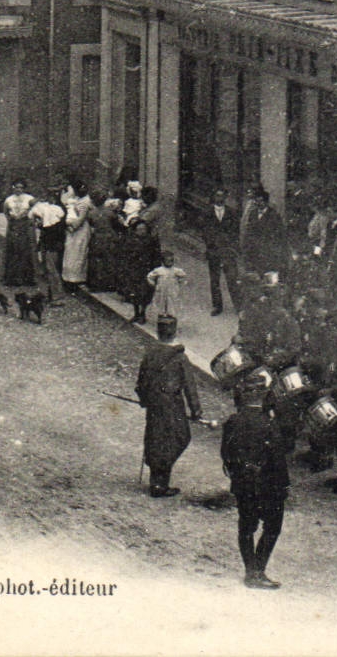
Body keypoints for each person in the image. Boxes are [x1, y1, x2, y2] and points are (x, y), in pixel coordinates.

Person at [222, 375, 290, 588]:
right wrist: (284, 485)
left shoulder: (233, 421)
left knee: (246, 527)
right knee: (272, 528)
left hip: (243, 483)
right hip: (268, 485)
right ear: (264, 396)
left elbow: (225, 453)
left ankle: (250, 570)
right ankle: (258, 571)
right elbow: (278, 459)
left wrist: (237, 473)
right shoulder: (270, 424)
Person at [136, 316, 202, 497]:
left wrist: (144, 399)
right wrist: (196, 411)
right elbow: (190, 386)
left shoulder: (150, 354)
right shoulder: (180, 358)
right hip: (173, 405)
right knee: (180, 438)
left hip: (154, 405)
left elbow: (141, 381)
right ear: (175, 333)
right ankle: (160, 481)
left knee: (155, 438)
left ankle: (156, 480)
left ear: (158, 333)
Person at [203, 187, 239, 316]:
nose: (220, 198)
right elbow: (204, 230)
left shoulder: (231, 212)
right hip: (213, 250)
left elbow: (235, 231)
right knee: (215, 279)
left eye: (222, 196)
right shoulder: (207, 212)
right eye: (217, 195)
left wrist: (230, 244)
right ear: (214, 197)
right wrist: (211, 243)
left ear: (225, 197)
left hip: (227, 250)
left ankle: (238, 305)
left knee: (232, 278)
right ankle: (217, 306)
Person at [0, 181, 39, 289]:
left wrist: (28, 218)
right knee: (13, 250)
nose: (18, 189)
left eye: (21, 187)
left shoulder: (29, 198)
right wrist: (11, 220)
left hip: (25, 225)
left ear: (24, 188)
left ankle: (27, 278)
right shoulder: (9, 199)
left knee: (25, 250)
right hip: (13, 225)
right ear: (13, 188)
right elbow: (6, 212)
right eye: (16, 187)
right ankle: (12, 278)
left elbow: (35, 210)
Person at [243, 187, 288, 279]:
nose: (259, 203)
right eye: (257, 201)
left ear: (266, 202)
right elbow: (249, 231)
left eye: (261, 201)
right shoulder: (253, 213)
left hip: (268, 251)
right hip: (255, 251)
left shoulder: (274, 215)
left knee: (269, 277)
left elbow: (279, 234)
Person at [29, 190, 66, 300]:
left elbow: (53, 230)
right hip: (48, 242)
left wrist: (42, 226)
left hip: (53, 243)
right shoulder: (49, 212)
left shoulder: (56, 214)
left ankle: (57, 296)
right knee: (47, 268)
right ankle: (50, 294)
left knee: (52, 268)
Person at [61, 182, 95, 292]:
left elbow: (81, 219)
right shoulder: (78, 200)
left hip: (80, 230)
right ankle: (69, 279)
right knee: (70, 253)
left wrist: (69, 225)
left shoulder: (85, 202)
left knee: (78, 253)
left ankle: (77, 280)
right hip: (73, 231)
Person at [147, 250, 188, 320]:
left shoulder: (176, 270)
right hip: (161, 289)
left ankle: (171, 314)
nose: (170, 263)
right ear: (163, 261)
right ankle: (161, 314)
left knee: (172, 301)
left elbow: (183, 276)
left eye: (171, 261)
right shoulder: (159, 270)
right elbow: (150, 277)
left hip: (172, 289)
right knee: (161, 301)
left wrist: (180, 283)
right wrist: (153, 284)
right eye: (167, 261)